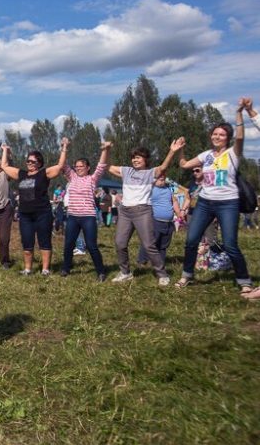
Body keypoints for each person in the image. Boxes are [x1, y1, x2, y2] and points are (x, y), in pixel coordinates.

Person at [176, 97, 257, 299]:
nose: (217, 137)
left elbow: (240, 136)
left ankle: (244, 281)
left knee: (230, 244)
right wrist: (181, 149)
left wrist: (239, 113)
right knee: (191, 240)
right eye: (215, 134)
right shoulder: (206, 155)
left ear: (227, 138)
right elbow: (184, 164)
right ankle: (187, 275)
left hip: (228, 203)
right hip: (204, 202)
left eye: (221, 134)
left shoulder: (233, 153)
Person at [106, 139, 183, 285]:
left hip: (143, 211)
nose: (135, 160)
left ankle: (162, 274)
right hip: (125, 212)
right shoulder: (126, 171)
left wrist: (172, 151)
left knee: (148, 245)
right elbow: (107, 167)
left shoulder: (150, 173)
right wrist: (107, 150)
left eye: (138, 157)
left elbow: (163, 167)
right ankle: (125, 272)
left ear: (145, 160)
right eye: (133, 157)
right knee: (120, 243)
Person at [1, 138, 68, 275]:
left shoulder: (44, 173)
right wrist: (5, 151)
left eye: (33, 161)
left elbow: (60, 166)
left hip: (42, 213)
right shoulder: (22, 174)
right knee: (27, 243)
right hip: (25, 215)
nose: (29, 163)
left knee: (44, 241)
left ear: (39, 163)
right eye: (28, 161)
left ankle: (45, 269)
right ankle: (27, 269)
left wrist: (64, 147)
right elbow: (4, 166)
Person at [59, 142, 111, 280]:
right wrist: (64, 147)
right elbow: (63, 165)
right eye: (76, 166)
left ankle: (100, 271)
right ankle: (66, 268)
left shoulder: (93, 179)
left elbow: (101, 166)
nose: (78, 168)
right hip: (73, 217)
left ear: (88, 168)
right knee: (69, 244)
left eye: (81, 166)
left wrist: (105, 150)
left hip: (88, 217)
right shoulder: (72, 177)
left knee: (91, 245)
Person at [136, 172, 184, 267]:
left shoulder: (168, 189)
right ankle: (142, 261)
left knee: (163, 245)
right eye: (159, 176)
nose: (162, 177)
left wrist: (179, 213)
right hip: (155, 221)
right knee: (150, 243)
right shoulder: (150, 189)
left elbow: (174, 201)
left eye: (163, 176)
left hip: (168, 223)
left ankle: (159, 263)